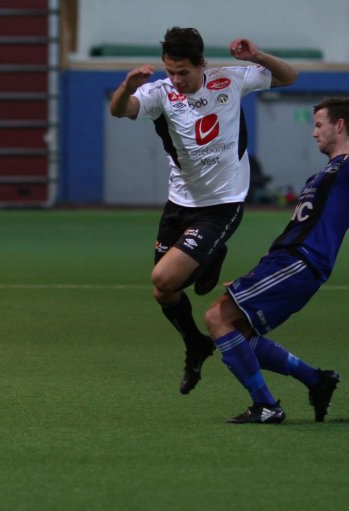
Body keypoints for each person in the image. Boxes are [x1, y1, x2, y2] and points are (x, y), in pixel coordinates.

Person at [109, 27, 298, 395]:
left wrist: (257, 55)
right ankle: (195, 344)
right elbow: (120, 110)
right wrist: (127, 86)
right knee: (164, 293)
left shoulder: (229, 79)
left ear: (202, 65)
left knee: (164, 279)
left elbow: (290, 77)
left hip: (223, 204)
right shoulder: (160, 93)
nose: (176, 80)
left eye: (183, 72)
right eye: (170, 71)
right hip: (179, 205)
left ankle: (211, 255)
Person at [203, 97, 349, 424]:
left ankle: (266, 406)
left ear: (340, 125)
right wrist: (256, 277)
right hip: (283, 261)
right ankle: (316, 381)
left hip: (301, 262)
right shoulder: (321, 175)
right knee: (237, 330)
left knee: (217, 318)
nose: (313, 132)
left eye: (319, 124)